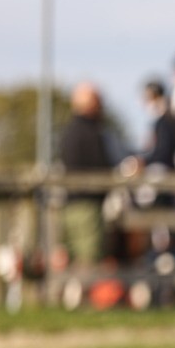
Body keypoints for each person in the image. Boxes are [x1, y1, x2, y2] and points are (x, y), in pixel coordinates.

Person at [58, 82, 115, 266]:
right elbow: (101, 166)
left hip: (71, 204)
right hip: (88, 207)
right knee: (87, 259)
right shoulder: (91, 132)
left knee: (74, 257)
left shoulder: (69, 131)